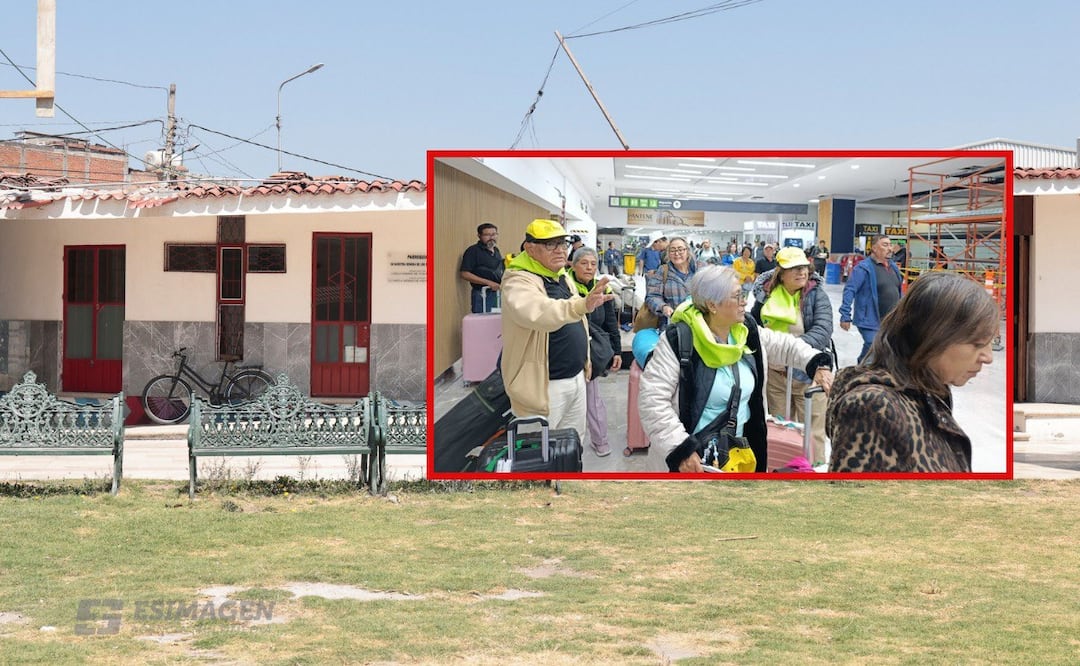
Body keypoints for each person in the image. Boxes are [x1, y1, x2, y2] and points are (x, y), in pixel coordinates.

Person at [638, 265, 833, 473]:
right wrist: (681, 450)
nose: (745, 302)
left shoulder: (744, 330)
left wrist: (817, 363)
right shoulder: (678, 340)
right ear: (713, 305)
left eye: (744, 294)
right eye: (737, 296)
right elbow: (652, 400)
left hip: (738, 456)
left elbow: (784, 345)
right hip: (693, 462)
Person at [827, 272, 998, 472]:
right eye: (977, 344)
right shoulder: (874, 407)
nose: (988, 357)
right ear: (932, 336)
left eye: (990, 344)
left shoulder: (928, 392)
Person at [500, 219, 614, 438]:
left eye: (564, 243)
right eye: (551, 245)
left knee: (572, 443)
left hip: (576, 377)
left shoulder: (560, 276)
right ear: (530, 248)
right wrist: (582, 304)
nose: (561, 251)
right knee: (540, 453)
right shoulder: (518, 280)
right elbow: (540, 312)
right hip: (544, 385)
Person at [750, 247, 833, 463]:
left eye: (804, 267)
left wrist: (791, 352)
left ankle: (814, 473)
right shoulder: (765, 295)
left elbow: (822, 331)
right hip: (777, 377)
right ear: (781, 272)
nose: (801, 272)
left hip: (810, 378)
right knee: (780, 429)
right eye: (794, 268)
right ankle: (783, 473)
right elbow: (753, 330)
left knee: (813, 433)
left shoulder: (816, 295)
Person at [568, 247, 622, 457]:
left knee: (593, 398)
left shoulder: (602, 289)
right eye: (584, 263)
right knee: (568, 402)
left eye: (593, 264)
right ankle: (567, 445)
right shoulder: (567, 287)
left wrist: (616, 351)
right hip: (568, 352)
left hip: (592, 354)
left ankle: (600, 441)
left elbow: (610, 323)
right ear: (573, 265)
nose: (589, 268)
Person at [838, 235, 903, 363]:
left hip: (890, 319)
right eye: (885, 245)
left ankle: (864, 367)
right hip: (869, 318)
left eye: (890, 245)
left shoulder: (893, 267)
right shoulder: (863, 268)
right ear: (874, 248)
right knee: (873, 345)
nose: (889, 248)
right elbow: (850, 290)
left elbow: (898, 291)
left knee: (887, 350)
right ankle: (861, 370)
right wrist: (845, 315)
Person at [644, 236, 697, 329]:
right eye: (672, 250)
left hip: (697, 323)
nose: (677, 253)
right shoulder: (663, 271)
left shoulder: (699, 271)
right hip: (672, 325)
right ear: (668, 254)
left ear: (688, 251)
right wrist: (663, 307)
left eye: (681, 249)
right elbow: (652, 296)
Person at [459, 223, 503, 313]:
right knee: (482, 323)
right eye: (487, 235)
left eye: (494, 234)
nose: (491, 237)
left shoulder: (496, 251)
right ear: (479, 236)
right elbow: (464, 273)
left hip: (497, 293)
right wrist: (488, 282)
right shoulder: (473, 251)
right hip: (482, 293)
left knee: (496, 322)